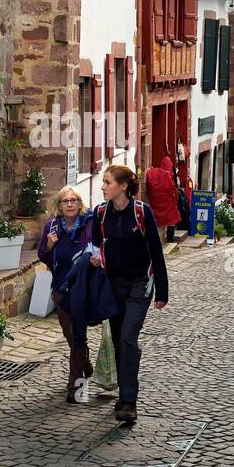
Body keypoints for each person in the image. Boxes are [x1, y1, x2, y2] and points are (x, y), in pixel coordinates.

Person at [88, 164, 168, 424]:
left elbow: (156, 251)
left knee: (128, 338)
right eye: (103, 182)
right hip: (113, 286)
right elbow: (95, 245)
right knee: (120, 340)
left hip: (139, 284)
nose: (103, 187)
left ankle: (129, 401)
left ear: (123, 187)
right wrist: (95, 259)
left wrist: (162, 291)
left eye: (108, 182)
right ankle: (124, 395)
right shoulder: (100, 213)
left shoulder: (141, 211)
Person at [37, 186, 96, 403]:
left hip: (83, 288)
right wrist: (50, 245)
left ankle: (75, 384)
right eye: (65, 201)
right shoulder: (51, 227)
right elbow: (42, 256)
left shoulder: (89, 224)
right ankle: (85, 363)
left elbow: (96, 248)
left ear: (80, 204)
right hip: (61, 289)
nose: (70, 204)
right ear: (59, 206)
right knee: (71, 335)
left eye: (74, 200)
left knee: (77, 333)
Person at [144, 155, 182, 243]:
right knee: (171, 220)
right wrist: (175, 200)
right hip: (167, 205)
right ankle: (169, 239)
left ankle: (156, 240)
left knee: (156, 223)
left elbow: (147, 187)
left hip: (154, 204)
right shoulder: (168, 176)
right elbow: (173, 191)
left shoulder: (153, 173)